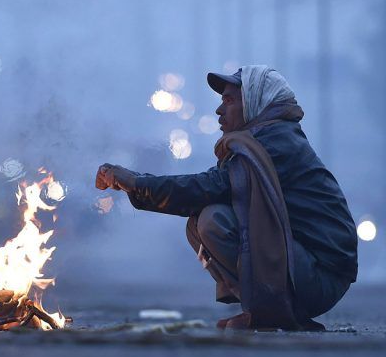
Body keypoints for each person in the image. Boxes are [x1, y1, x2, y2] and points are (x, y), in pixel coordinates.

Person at [96, 65, 357, 330]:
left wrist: (137, 183)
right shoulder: (263, 139)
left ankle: (272, 313)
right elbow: (209, 187)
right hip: (307, 266)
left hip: (321, 275)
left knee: (213, 219)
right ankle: (263, 310)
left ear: (257, 103)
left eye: (230, 101)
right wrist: (136, 182)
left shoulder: (275, 143)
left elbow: (207, 187)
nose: (220, 110)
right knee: (200, 221)